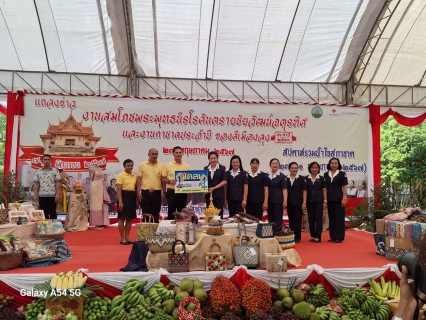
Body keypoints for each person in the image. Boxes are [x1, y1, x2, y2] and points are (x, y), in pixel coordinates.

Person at [137, 148, 165, 223]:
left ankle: (155, 233)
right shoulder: (142, 165)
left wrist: (163, 192)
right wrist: (138, 192)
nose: (154, 156)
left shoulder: (161, 165)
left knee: (155, 214)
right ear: (148, 155)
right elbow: (139, 179)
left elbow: (163, 180)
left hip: (157, 193)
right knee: (146, 214)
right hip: (145, 193)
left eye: (156, 154)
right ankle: (146, 233)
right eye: (152, 154)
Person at [162, 146, 190, 220]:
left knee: (182, 212)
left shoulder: (186, 166)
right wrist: (169, 181)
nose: (178, 154)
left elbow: (188, 179)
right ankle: (170, 230)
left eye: (180, 153)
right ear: (173, 154)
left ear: (182, 153)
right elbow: (162, 178)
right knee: (171, 211)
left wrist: (189, 189)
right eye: (176, 153)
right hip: (171, 191)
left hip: (182, 192)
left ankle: (181, 229)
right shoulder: (168, 165)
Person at [324, 157, 348, 243]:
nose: (334, 165)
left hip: (339, 199)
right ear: (329, 165)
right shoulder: (326, 174)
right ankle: (333, 236)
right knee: (332, 218)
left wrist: (344, 198)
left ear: (338, 164)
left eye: (335, 163)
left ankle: (339, 237)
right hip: (330, 199)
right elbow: (325, 188)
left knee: (339, 218)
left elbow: (344, 187)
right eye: (332, 163)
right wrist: (325, 200)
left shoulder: (342, 174)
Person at [33, 154, 61, 219]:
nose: (46, 161)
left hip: (52, 196)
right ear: (42, 161)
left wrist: (57, 194)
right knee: (43, 213)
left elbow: (57, 183)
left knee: (53, 213)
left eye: (48, 160)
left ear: (51, 161)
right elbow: (36, 184)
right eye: (45, 159)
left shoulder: (55, 171)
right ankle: (45, 227)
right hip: (42, 196)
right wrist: (35, 195)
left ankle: (53, 228)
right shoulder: (38, 171)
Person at [116, 159, 138, 245]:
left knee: (129, 219)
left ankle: (127, 237)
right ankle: (122, 238)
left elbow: (136, 189)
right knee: (122, 218)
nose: (130, 167)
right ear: (124, 166)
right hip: (123, 196)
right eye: (128, 166)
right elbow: (119, 190)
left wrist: (137, 199)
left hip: (132, 197)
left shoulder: (134, 176)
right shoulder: (120, 176)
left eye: (131, 166)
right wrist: (120, 202)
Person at [306, 161, 327, 243]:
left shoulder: (322, 179)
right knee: (311, 219)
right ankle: (313, 235)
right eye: (312, 167)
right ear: (310, 169)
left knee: (318, 218)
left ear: (318, 169)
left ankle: (318, 236)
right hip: (309, 201)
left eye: (316, 167)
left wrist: (325, 201)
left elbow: (324, 190)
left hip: (319, 201)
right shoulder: (306, 179)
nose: (314, 169)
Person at [287, 162, 307, 243]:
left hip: (298, 203)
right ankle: (291, 235)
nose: (294, 169)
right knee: (291, 220)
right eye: (292, 168)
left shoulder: (302, 179)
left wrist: (304, 202)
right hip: (289, 203)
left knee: (298, 220)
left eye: (296, 168)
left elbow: (304, 191)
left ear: (298, 169)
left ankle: (297, 237)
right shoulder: (286, 178)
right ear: (289, 169)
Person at [204, 151, 227, 217]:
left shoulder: (222, 168)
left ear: (217, 159)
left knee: (218, 214)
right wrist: (204, 189)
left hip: (219, 195)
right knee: (209, 215)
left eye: (215, 158)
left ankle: (219, 227)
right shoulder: (205, 169)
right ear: (209, 159)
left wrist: (214, 188)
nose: (213, 160)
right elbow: (203, 181)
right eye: (211, 158)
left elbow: (224, 181)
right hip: (208, 195)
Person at [266, 158, 288, 228]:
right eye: (273, 163)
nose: (275, 165)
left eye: (276, 163)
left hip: (278, 201)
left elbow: (284, 190)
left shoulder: (282, 176)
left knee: (277, 218)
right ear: (270, 165)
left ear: (279, 165)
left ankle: (278, 234)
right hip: (269, 200)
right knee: (270, 218)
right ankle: (271, 235)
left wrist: (285, 201)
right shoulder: (266, 176)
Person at [89, 164, 111, 228]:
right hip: (94, 185)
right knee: (95, 204)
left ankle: (103, 221)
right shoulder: (91, 168)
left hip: (101, 185)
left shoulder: (100, 169)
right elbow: (91, 178)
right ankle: (96, 222)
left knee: (102, 203)